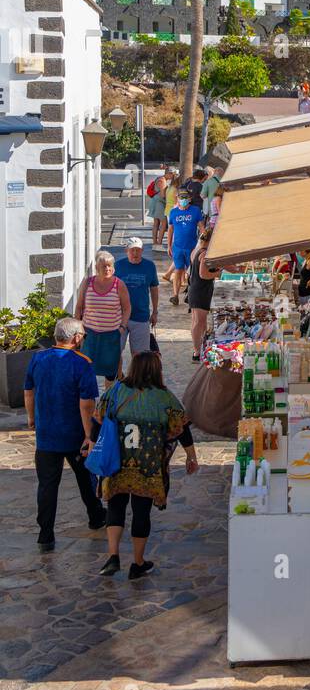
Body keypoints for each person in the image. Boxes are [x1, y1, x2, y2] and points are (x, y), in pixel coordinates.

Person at [84, 350, 199, 579]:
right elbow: (182, 428)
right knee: (141, 512)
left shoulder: (115, 390)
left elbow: (99, 419)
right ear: (157, 370)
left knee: (115, 507)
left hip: (116, 461)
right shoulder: (164, 398)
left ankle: (113, 556)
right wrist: (191, 456)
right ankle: (137, 563)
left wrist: (92, 444)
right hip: (148, 465)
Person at [23, 316, 105, 550]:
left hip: (47, 434)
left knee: (47, 485)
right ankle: (96, 515)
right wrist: (89, 435)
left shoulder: (38, 358)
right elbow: (86, 403)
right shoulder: (82, 363)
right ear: (77, 338)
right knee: (86, 477)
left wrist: (31, 418)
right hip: (74, 434)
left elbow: (28, 391)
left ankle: (46, 533)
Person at [74, 251, 132, 385]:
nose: (107, 269)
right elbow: (79, 307)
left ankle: (107, 403)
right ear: (97, 268)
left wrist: (122, 327)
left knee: (110, 372)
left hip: (111, 335)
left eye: (109, 266)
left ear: (113, 267)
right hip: (89, 334)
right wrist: (78, 330)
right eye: (103, 266)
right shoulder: (87, 283)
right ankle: (88, 402)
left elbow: (127, 308)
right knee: (87, 370)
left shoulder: (119, 285)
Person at [114, 238, 159, 357]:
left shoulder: (149, 266)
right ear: (126, 250)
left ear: (142, 250)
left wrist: (155, 311)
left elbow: (154, 289)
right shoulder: (117, 266)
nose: (135, 253)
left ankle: (136, 376)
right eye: (132, 250)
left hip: (141, 316)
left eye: (138, 250)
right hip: (119, 316)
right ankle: (118, 375)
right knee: (116, 352)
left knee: (140, 355)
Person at [188, 227, 221, 361]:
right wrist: (218, 273)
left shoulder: (197, 250)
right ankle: (196, 352)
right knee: (199, 322)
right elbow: (203, 274)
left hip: (196, 289)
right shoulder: (205, 253)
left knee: (197, 321)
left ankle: (199, 348)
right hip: (200, 290)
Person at [166, 188, 204, 306]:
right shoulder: (173, 212)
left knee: (191, 272)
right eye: (181, 197)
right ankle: (175, 295)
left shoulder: (195, 211)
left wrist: (202, 244)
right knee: (178, 271)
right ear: (177, 199)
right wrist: (169, 245)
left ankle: (191, 295)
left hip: (192, 247)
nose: (183, 200)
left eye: (185, 197)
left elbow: (201, 227)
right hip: (177, 247)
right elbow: (170, 229)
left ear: (189, 199)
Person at [146, 166, 171, 249]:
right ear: (168, 173)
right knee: (163, 223)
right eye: (172, 174)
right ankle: (159, 243)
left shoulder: (160, 179)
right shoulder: (162, 180)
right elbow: (163, 195)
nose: (173, 176)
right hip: (159, 203)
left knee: (156, 223)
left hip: (155, 202)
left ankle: (155, 243)